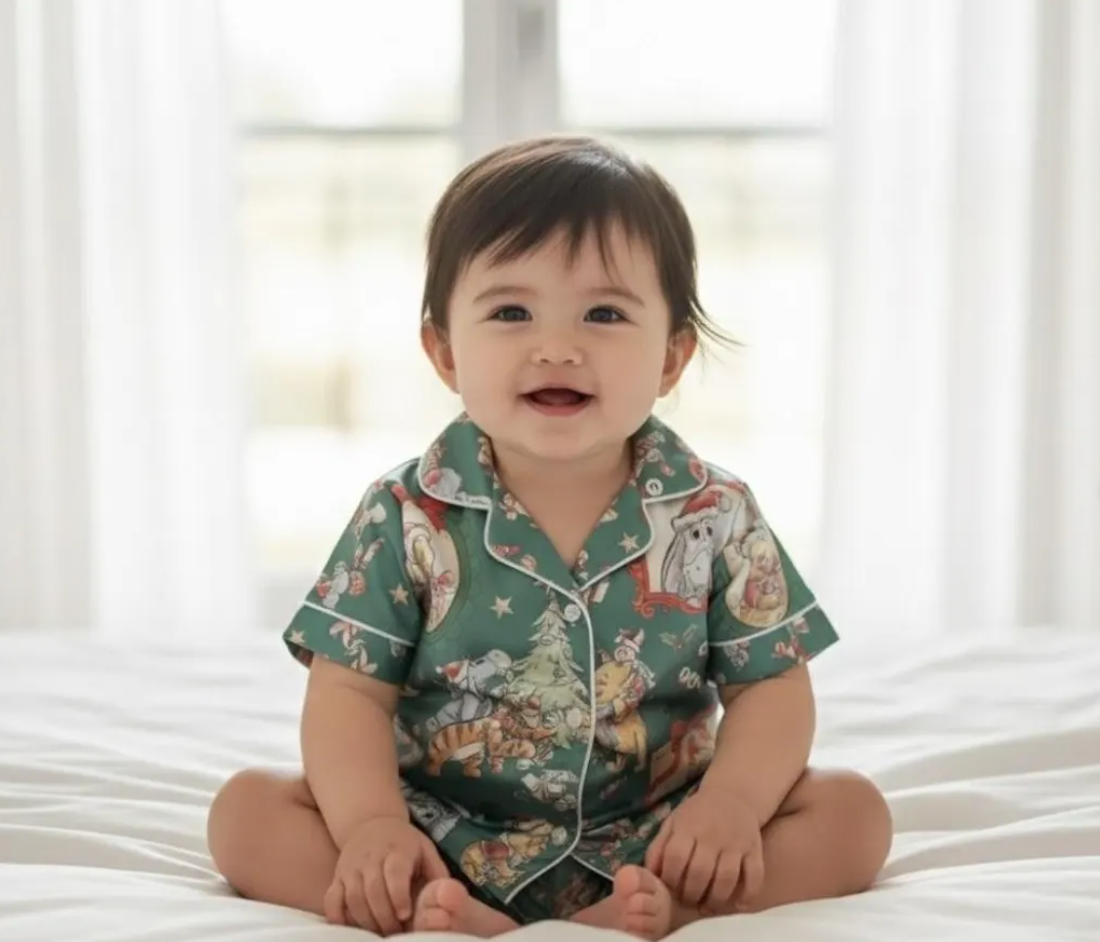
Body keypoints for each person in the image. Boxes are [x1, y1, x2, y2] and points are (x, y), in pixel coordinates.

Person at [206, 135, 893, 939]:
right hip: (440, 833)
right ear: (444, 351)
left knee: (853, 814)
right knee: (245, 813)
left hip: (659, 835)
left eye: (604, 314)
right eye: (511, 312)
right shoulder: (404, 513)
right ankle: (436, 912)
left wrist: (732, 806)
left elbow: (769, 685)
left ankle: (662, 913)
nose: (558, 347)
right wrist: (371, 828)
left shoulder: (716, 512)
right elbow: (349, 691)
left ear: (672, 357)